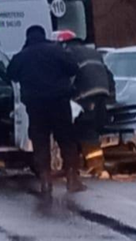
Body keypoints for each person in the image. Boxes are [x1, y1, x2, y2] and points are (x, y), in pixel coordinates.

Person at [7, 25, 84, 196]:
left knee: (40, 142)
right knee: (66, 140)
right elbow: (74, 68)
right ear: (43, 36)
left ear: (28, 37)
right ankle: (72, 178)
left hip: (35, 106)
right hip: (59, 102)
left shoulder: (22, 56)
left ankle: (45, 180)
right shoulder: (56, 51)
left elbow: (10, 74)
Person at [55, 30, 115, 179]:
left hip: (85, 96)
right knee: (91, 129)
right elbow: (109, 75)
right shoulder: (92, 52)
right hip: (102, 95)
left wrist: (67, 96)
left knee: (86, 132)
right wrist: (111, 98)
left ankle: (96, 168)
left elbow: (67, 77)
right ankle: (83, 165)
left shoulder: (67, 53)